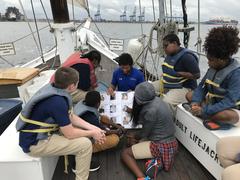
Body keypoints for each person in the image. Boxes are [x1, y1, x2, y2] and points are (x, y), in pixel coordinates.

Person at [16, 67, 106, 180]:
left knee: (82, 129)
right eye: (77, 82)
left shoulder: (53, 89)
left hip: (37, 133)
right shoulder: (57, 102)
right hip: (35, 143)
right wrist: (92, 133)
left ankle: (79, 163)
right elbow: (70, 134)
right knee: (85, 145)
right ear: (72, 86)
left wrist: (93, 128)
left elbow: (71, 117)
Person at [121, 82, 178, 180]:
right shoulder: (159, 100)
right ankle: (157, 161)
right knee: (133, 143)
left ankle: (142, 177)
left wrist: (133, 135)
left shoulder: (150, 111)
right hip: (172, 141)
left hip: (160, 145)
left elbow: (144, 134)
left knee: (125, 154)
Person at [188, 26, 240, 126]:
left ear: (222, 59)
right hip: (213, 103)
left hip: (230, 108)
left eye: (211, 60)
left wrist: (204, 110)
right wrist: (195, 102)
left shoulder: (236, 74)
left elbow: (229, 101)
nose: (208, 63)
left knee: (227, 116)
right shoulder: (212, 68)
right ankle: (203, 113)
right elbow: (201, 87)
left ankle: (203, 113)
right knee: (190, 95)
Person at [152, 34, 200, 108]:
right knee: (147, 88)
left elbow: (197, 75)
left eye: (166, 46)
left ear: (174, 43)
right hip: (168, 83)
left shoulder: (187, 57)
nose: (164, 48)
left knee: (166, 102)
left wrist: (178, 73)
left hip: (183, 87)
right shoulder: (170, 54)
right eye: (163, 46)